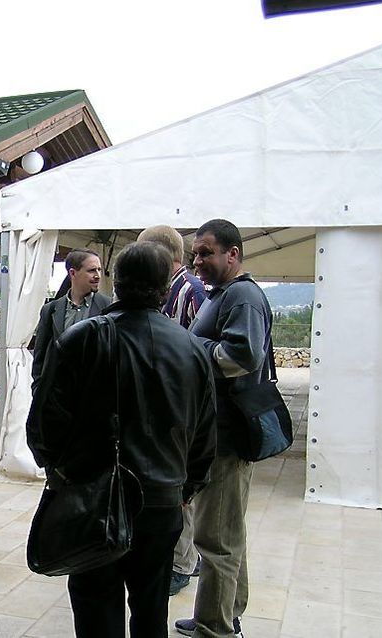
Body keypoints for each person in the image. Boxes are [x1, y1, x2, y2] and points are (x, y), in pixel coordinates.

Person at [27, 242, 217, 638]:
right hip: (163, 500)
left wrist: (61, 473)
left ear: (117, 282)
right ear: (165, 288)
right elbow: (204, 434)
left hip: (94, 496)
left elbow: (44, 424)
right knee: (151, 606)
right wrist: (188, 486)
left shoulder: (83, 339)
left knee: (96, 604)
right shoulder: (193, 349)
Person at [175, 219, 273, 638]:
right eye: (196, 253)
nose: (198, 260)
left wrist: (190, 347)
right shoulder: (228, 294)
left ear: (233, 254)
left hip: (227, 437)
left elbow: (243, 356)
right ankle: (224, 613)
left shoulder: (243, 296)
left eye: (207, 252)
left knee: (216, 538)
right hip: (219, 434)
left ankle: (215, 628)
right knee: (227, 530)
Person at [137, 225, 207, 596]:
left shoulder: (191, 292)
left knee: (180, 491)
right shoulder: (172, 291)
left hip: (178, 408)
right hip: (166, 406)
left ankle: (182, 564)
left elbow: (199, 352)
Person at [30, 248, 110, 388]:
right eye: (91, 270)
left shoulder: (108, 306)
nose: (97, 275)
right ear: (73, 273)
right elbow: (40, 357)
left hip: (95, 394)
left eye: (99, 270)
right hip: (59, 395)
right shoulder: (50, 310)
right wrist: (38, 389)